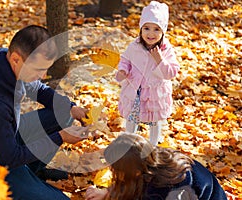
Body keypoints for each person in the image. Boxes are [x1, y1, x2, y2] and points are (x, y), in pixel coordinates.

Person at [0, 25, 90, 199]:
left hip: (3, 141)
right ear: (16, 59)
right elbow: (9, 158)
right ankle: (23, 184)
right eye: (39, 69)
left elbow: (38, 89)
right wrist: (60, 137)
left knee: (63, 113)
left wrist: (71, 107)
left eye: (46, 69)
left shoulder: (5, 59)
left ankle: (31, 174)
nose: (44, 75)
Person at [85, 133, 228, 200]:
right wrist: (109, 193)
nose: (112, 171)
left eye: (116, 169)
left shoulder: (168, 189)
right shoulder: (150, 160)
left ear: (133, 171)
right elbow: (133, 183)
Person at [116, 1, 180, 145]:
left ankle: (153, 145)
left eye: (156, 29)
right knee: (132, 118)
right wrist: (123, 70)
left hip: (154, 94)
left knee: (154, 120)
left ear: (163, 31)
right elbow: (126, 59)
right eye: (147, 28)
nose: (151, 33)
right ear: (141, 29)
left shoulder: (166, 50)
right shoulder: (135, 46)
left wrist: (159, 60)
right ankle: (128, 142)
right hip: (135, 91)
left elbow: (171, 72)